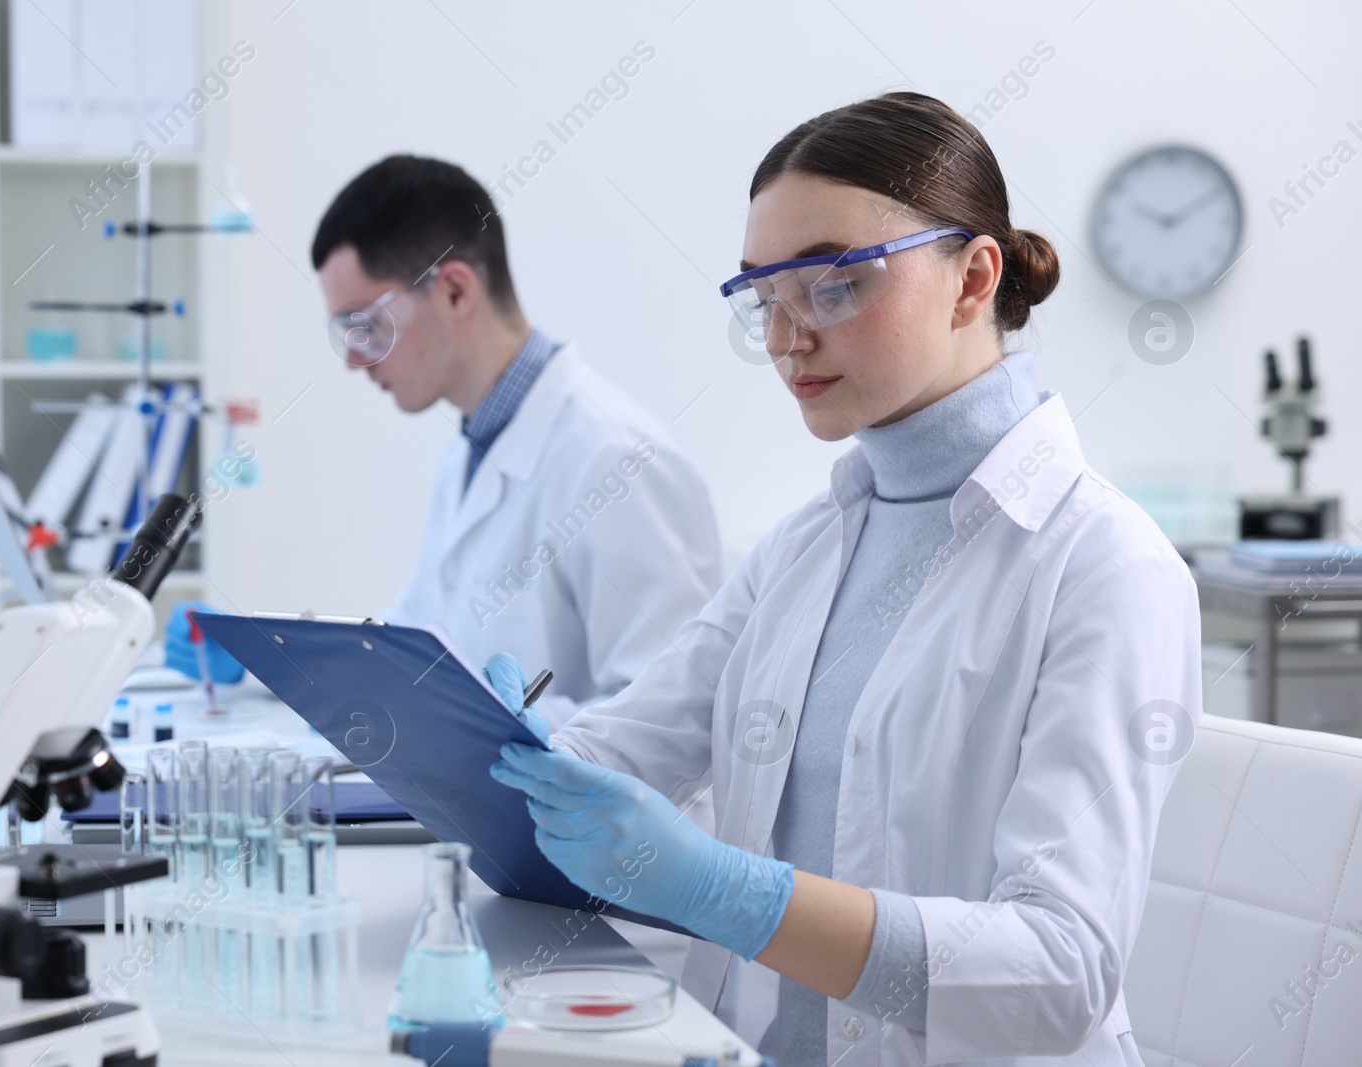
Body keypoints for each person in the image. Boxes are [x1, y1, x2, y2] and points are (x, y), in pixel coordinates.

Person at [488, 92, 1200, 1065]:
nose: (786, 337)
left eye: (830, 284)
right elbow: (628, 744)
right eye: (763, 298)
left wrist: (726, 890)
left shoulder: (1104, 566)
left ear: (971, 278)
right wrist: (495, 743)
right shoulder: (805, 546)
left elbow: (1058, 971)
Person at [168, 154, 722, 732]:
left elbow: (673, 721)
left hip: (586, 824)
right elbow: (411, 646)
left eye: (364, 325)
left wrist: (497, 724)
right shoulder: (473, 448)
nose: (355, 360)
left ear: (455, 291)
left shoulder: (617, 462)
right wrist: (267, 656)